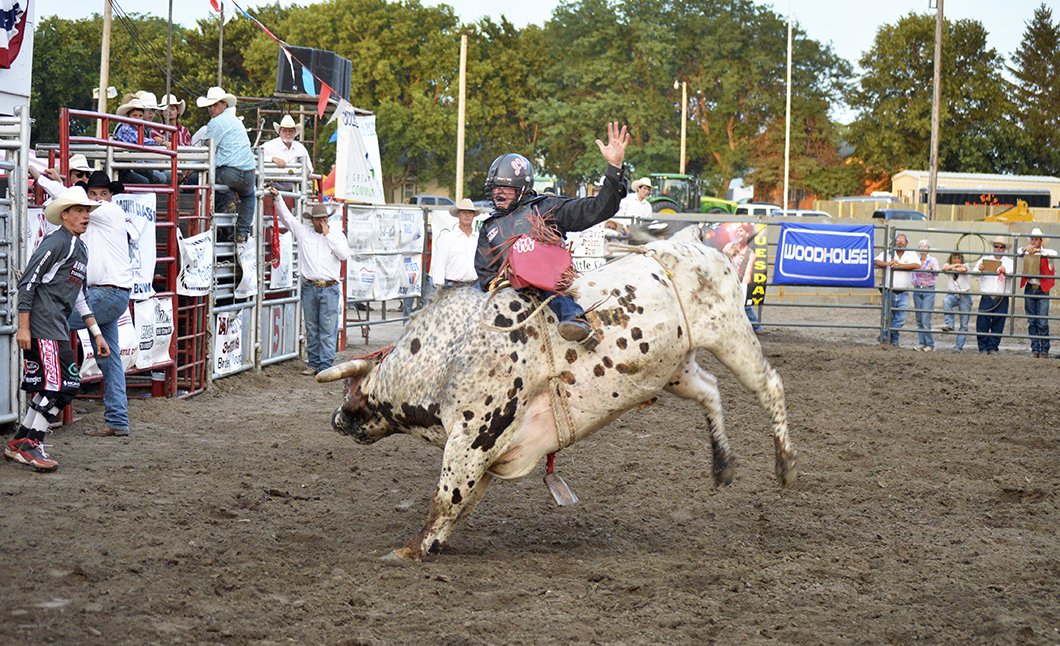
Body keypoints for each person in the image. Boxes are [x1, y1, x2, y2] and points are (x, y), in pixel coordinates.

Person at [475, 121, 630, 343]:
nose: (498, 193)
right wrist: (495, 282)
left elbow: (596, 209)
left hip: (545, 286)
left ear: (521, 189)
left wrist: (614, 170)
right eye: (495, 188)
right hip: (503, 294)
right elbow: (483, 269)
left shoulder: (547, 208)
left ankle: (575, 321)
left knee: (548, 292)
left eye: (504, 188)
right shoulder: (489, 227)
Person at [5, 187, 110, 472]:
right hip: (43, 324)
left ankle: (21, 441)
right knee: (56, 386)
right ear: (64, 215)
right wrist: (23, 326)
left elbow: (79, 296)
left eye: (87, 211)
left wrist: (96, 333)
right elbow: (28, 282)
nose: (85, 216)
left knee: (66, 386)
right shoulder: (56, 242)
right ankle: (30, 444)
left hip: (57, 326)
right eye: (79, 211)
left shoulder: (80, 248)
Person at [69, 171, 136, 437]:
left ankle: (51, 396)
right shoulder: (102, 220)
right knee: (109, 357)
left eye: (103, 194)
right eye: (92, 194)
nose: (98, 199)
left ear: (111, 197)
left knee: (53, 323)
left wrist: (42, 178)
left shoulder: (108, 212)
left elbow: (65, 200)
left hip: (105, 294)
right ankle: (118, 420)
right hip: (109, 294)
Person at [267, 187, 350, 376]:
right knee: (313, 327)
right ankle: (315, 363)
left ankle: (325, 365)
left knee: (327, 328)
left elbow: (343, 255)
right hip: (311, 286)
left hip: (328, 287)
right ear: (312, 220)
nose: (321, 222)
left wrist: (328, 234)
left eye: (323, 219)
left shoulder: (336, 236)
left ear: (327, 219)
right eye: (318, 219)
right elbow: (288, 219)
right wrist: (279, 198)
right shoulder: (305, 232)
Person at [196, 86, 257, 243]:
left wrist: (191, 168)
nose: (211, 109)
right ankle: (241, 232)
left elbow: (206, 151)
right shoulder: (237, 122)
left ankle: (225, 209)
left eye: (215, 105)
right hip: (249, 172)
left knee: (207, 182)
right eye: (210, 106)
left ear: (224, 104)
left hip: (230, 173)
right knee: (249, 195)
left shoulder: (216, 123)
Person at [873, 233, 920, 347]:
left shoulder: (911, 253)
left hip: (903, 291)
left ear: (906, 243)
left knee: (901, 318)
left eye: (902, 240)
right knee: (887, 316)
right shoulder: (888, 252)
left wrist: (900, 265)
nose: (900, 242)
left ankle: (885, 334)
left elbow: (917, 264)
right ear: (895, 242)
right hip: (889, 290)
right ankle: (894, 342)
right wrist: (889, 263)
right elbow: (876, 261)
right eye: (898, 240)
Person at [112, 96, 168, 185]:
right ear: (127, 116)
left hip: (131, 165)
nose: (138, 119)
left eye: (140, 116)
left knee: (155, 176)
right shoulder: (126, 127)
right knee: (150, 180)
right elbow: (138, 140)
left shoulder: (139, 129)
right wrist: (159, 141)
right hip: (123, 168)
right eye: (134, 116)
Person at [1017, 228, 1056, 358]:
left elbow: (1054, 253)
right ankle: (1036, 348)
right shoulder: (1027, 252)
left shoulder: (1047, 253)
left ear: (1041, 241)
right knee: (1032, 320)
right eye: (1032, 239)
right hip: (1030, 287)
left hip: (1042, 289)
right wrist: (1025, 249)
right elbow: (1018, 251)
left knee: (1042, 321)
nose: (1034, 242)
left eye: (1036, 239)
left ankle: (1044, 349)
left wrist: (1039, 251)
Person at [974, 235, 1014, 354]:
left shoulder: (1009, 261)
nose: (999, 249)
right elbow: (975, 272)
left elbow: (1012, 273)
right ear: (994, 247)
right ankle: (983, 347)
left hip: (1001, 296)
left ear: (1004, 249)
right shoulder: (984, 259)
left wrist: (1004, 270)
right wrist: (980, 269)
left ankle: (993, 346)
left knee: (998, 322)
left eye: (1001, 247)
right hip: (987, 294)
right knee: (982, 322)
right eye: (996, 246)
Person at [430, 198, 479, 288]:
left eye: (470, 213)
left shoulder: (478, 238)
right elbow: (440, 264)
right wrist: (439, 286)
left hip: (475, 285)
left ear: (473, 215)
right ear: (458, 215)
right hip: (453, 286)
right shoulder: (447, 238)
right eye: (464, 212)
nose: (467, 215)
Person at [940, 252, 972, 352]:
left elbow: (964, 269)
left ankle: (958, 347)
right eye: (955, 258)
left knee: (964, 323)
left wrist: (954, 267)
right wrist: (955, 266)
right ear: (951, 259)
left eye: (959, 258)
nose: (957, 260)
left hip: (964, 295)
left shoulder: (966, 265)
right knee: (946, 300)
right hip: (952, 294)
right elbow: (944, 268)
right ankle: (949, 323)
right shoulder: (947, 265)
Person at [911, 239, 939, 351]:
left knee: (925, 318)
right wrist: (914, 282)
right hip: (918, 289)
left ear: (928, 249)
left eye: (925, 247)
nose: (923, 249)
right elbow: (912, 274)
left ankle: (930, 344)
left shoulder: (933, 260)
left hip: (928, 289)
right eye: (921, 247)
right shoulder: (916, 260)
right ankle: (922, 342)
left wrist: (932, 269)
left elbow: (937, 273)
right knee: (919, 318)